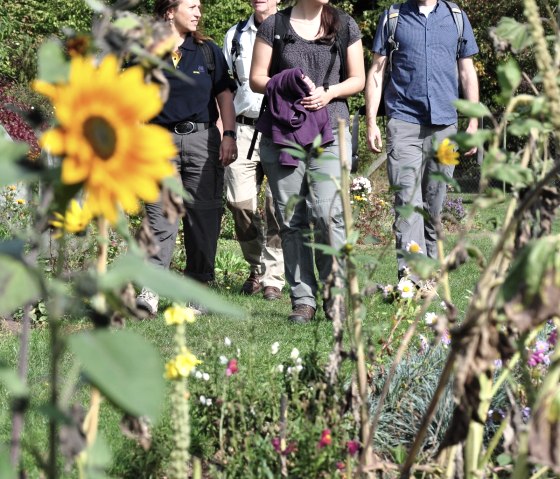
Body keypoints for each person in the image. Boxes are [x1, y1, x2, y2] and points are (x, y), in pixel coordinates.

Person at [250, 0, 365, 323]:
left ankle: (336, 296)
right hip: (282, 132)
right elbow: (256, 77)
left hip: (330, 131)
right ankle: (303, 299)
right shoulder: (274, 26)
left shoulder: (344, 24)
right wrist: (286, 81)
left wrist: (328, 93)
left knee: (329, 213)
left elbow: (358, 79)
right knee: (292, 220)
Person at [365, 0, 479, 283]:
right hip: (403, 122)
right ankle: (412, 279)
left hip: (446, 127)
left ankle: (431, 276)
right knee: (407, 200)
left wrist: (474, 120)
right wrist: (370, 122)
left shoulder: (456, 18)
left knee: (435, 202)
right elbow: (377, 71)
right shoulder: (393, 17)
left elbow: (467, 70)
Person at [136, 0, 237, 315]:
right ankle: (150, 290)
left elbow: (224, 96)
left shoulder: (208, 51)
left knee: (202, 217)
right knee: (159, 215)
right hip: (158, 141)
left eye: (200, 7)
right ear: (170, 11)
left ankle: (198, 293)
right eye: (191, 6)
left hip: (201, 139)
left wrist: (229, 135)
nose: (198, 13)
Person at [222, 0, 285, 301]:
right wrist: (227, 133)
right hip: (244, 128)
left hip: (281, 128)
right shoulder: (234, 35)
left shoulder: (293, 29)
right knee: (238, 202)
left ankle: (272, 277)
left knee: (277, 207)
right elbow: (225, 89)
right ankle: (257, 267)